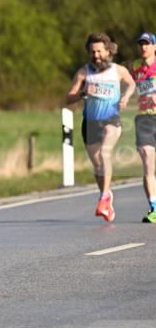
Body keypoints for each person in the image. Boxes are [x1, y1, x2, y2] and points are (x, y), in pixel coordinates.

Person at [65, 33, 135, 221]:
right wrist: (82, 93)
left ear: (108, 51)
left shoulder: (118, 70)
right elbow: (68, 98)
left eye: (99, 51)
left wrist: (126, 97)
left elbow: (131, 83)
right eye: (92, 52)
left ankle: (103, 198)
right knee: (98, 167)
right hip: (90, 123)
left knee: (105, 153)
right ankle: (106, 195)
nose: (96, 55)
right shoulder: (84, 72)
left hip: (111, 120)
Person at [129, 32, 156, 223]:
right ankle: (154, 207)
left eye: (147, 43)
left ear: (154, 47)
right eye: (141, 44)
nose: (143, 47)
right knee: (147, 160)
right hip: (144, 119)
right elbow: (127, 89)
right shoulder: (134, 67)